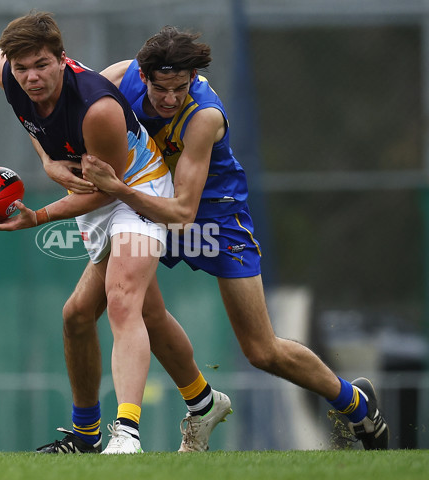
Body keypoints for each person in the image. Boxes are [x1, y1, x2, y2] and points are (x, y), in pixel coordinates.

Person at [77, 26, 389, 450]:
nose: (169, 99)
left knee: (262, 350)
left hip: (214, 217)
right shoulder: (117, 79)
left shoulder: (203, 116)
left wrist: (116, 189)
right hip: (145, 200)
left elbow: (184, 212)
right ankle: (196, 406)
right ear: (142, 75)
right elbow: (68, 114)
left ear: (192, 81)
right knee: (120, 306)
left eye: (179, 88)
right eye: (160, 89)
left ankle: (355, 403)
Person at [0, 12, 232, 454]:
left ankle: (127, 433)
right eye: (21, 67)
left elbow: (108, 192)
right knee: (81, 317)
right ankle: (186, 407)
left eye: (42, 65)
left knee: (124, 302)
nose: (31, 77)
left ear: (63, 60)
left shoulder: (97, 109)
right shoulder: (6, 71)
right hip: (93, 188)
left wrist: (39, 217)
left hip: (135, 186)